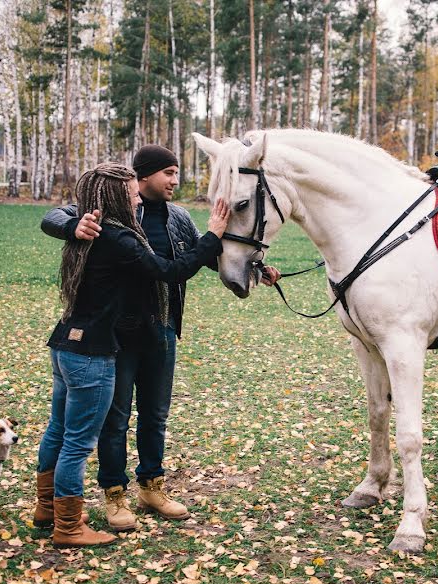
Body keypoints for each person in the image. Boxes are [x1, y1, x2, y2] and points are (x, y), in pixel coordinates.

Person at [41, 145, 281, 532]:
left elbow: (202, 255)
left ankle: (152, 487)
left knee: (155, 416)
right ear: (143, 176)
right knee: (115, 420)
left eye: (176, 173)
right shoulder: (115, 210)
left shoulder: (178, 217)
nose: (175, 180)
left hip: (160, 330)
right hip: (113, 338)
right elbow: (54, 216)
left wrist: (256, 268)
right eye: (169, 173)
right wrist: (73, 226)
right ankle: (114, 494)